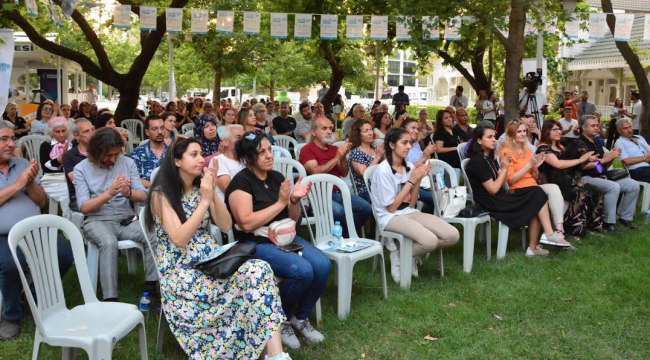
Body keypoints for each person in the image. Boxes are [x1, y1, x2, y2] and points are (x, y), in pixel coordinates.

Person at [144, 136, 290, 360]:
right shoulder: (161, 195)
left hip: (212, 260)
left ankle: (276, 355)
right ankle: (264, 352)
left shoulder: (200, 187)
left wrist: (211, 195)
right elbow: (180, 239)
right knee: (254, 278)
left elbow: (225, 224)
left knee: (260, 270)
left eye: (201, 154)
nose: (201, 159)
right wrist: (204, 202)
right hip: (182, 270)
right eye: (194, 155)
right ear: (177, 161)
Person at [225, 131, 328, 351]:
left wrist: (293, 200)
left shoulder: (276, 177)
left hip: (285, 237)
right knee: (301, 270)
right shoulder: (240, 183)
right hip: (255, 243)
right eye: (261, 152)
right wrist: (281, 202)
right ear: (248, 157)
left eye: (270, 149)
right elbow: (246, 223)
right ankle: (281, 321)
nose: (269, 155)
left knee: (322, 265)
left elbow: (291, 217)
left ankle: (300, 318)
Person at [0, 122, 74, 341]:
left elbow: (41, 201)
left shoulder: (22, 163)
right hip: (3, 235)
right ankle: (11, 316)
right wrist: (18, 184)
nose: (11, 144)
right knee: (12, 266)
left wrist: (30, 182)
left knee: (64, 255)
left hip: (34, 230)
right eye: (4, 139)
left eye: (12, 138)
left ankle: (31, 296)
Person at [73, 128, 158, 302]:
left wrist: (128, 193)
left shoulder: (127, 163)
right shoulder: (81, 169)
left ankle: (151, 289)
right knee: (109, 242)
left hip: (124, 218)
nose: (112, 159)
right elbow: (84, 207)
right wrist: (108, 194)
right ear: (96, 152)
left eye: (115, 155)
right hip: (97, 220)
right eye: (108, 156)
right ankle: (110, 299)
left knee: (153, 234)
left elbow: (143, 196)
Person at [371, 128, 459, 281]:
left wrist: (418, 178)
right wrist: (411, 180)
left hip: (409, 212)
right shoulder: (383, 171)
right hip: (389, 217)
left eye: (410, 143)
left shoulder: (409, 167)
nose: (409, 147)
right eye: (404, 143)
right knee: (429, 241)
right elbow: (391, 208)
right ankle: (400, 255)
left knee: (452, 235)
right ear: (391, 145)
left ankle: (407, 253)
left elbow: (411, 204)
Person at [466, 125, 558, 257]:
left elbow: (501, 183)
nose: (494, 140)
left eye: (494, 137)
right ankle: (545, 236)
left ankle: (537, 244)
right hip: (490, 202)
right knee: (537, 194)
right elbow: (492, 190)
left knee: (536, 196)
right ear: (479, 141)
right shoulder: (477, 162)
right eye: (489, 137)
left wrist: (505, 168)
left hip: (499, 196)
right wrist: (504, 168)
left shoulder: (488, 158)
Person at [500, 120, 571, 247]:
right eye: (519, 132)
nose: (523, 134)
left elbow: (533, 176)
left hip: (531, 186)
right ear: (511, 135)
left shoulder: (527, 150)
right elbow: (511, 180)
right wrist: (529, 165)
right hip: (517, 190)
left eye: (524, 131)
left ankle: (559, 230)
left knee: (554, 188)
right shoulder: (507, 152)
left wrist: (535, 167)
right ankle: (549, 233)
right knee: (539, 194)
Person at [300, 117, 372, 235]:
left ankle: (344, 235)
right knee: (339, 212)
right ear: (313, 132)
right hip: (319, 196)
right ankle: (347, 236)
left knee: (365, 208)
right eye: (324, 128)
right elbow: (315, 172)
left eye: (330, 128)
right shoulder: (307, 150)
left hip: (339, 192)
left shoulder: (334, 149)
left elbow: (344, 173)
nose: (329, 131)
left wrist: (343, 156)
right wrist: (337, 158)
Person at [567, 115, 639, 232]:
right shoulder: (578, 143)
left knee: (633, 185)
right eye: (593, 126)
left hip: (602, 175)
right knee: (613, 187)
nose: (596, 128)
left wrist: (611, 157)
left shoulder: (597, 142)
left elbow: (602, 165)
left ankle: (624, 217)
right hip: (585, 177)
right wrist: (604, 160)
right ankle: (608, 222)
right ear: (584, 127)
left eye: (597, 125)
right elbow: (583, 166)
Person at [536, 120, 603, 238]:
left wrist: (588, 159)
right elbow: (558, 164)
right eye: (555, 129)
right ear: (547, 132)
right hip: (556, 184)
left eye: (559, 129)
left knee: (596, 191)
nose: (559, 132)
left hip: (572, 180)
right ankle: (574, 231)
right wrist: (581, 159)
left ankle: (593, 226)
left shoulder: (561, 146)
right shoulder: (542, 148)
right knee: (580, 194)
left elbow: (573, 164)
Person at [39, 117, 73, 218]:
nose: (61, 134)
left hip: (70, 177)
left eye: (64, 131)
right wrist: (61, 158)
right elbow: (46, 168)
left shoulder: (73, 144)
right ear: (51, 132)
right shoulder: (45, 146)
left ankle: (69, 221)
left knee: (67, 193)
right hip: (52, 178)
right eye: (57, 132)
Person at [401, 118, 436, 209]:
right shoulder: (401, 147)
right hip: (409, 183)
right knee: (436, 197)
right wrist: (425, 156)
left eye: (417, 129)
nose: (416, 131)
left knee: (443, 194)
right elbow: (406, 171)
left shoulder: (416, 144)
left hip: (422, 180)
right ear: (404, 130)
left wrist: (427, 155)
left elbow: (423, 161)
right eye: (413, 128)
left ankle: (429, 216)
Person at [62, 119, 94, 212]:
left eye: (92, 129)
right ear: (76, 136)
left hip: (102, 193)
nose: (92, 133)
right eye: (86, 131)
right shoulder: (69, 156)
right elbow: (77, 180)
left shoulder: (101, 151)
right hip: (79, 197)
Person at [127, 115, 167, 189]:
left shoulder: (172, 152)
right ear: (147, 132)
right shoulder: (138, 153)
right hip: (145, 196)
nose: (160, 132)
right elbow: (132, 177)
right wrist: (154, 187)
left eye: (162, 128)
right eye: (155, 129)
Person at [349, 120, 385, 203]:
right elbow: (364, 174)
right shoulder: (356, 152)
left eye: (371, 129)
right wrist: (378, 156)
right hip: (366, 190)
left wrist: (384, 155)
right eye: (366, 131)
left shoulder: (375, 149)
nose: (370, 133)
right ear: (358, 135)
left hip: (381, 186)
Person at [211, 125, 245, 201]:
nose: (243, 141)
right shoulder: (218, 160)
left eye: (244, 137)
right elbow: (228, 189)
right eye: (238, 137)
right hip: (228, 209)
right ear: (226, 142)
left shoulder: (245, 160)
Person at [615, 119, 650, 183]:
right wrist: (645, 158)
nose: (629, 130)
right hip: (637, 170)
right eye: (625, 128)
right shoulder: (620, 142)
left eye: (630, 127)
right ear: (619, 131)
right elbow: (627, 161)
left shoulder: (639, 138)